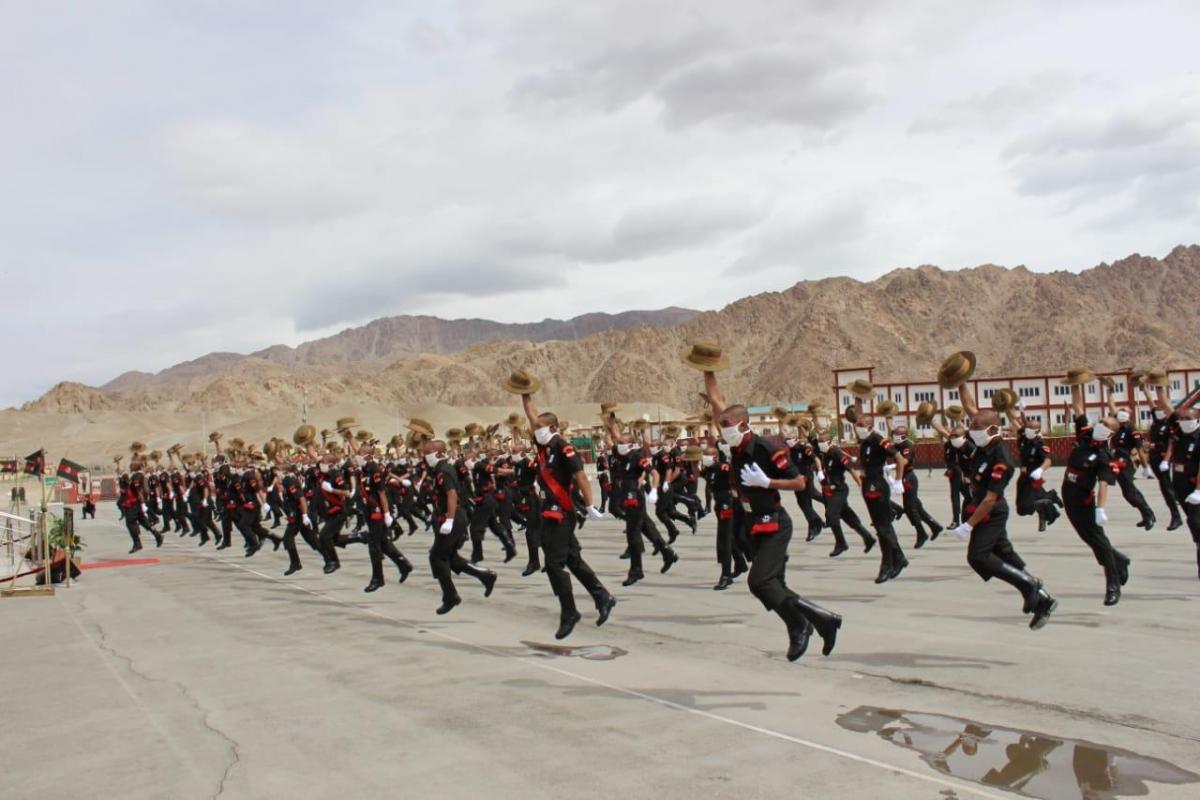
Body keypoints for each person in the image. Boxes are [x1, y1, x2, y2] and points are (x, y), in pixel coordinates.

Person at [694, 345, 842, 662]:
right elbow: (718, 399)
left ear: (744, 425)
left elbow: (800, 482)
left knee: (759, 581)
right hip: (751, 523)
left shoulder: (765, 447)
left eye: (729, 426)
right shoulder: (734, 446)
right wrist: (707, 367)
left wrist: (768, 482)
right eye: (723, 426)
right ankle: (811, 624)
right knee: (774, 585)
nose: (724, 430)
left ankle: (814, 621)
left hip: (774, 521)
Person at [945, 378, 1057, 628]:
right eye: (971, 426)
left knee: (978, 557)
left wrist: (968, 525)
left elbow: (990, 498)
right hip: (983, 507)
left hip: (991, 512)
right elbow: (972, 408)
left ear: (993, 430)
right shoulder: (985, 444)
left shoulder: (1000, 458)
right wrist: (961, 381)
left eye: (976, 427)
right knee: (1007, 556)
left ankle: (1029, 585)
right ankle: (1043, 599)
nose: (971, 429)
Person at [514, 373, 616, 639]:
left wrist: (591, 504)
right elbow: (531, 413)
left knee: (554, 564)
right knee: (572, 559)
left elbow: (581, 476)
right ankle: (603, 596)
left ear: (552, 427)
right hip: (550, 511)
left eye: (540, 427)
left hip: (561, 512)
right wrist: (524, 392)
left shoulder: (563, 447)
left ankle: (569, 611)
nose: (535, 429)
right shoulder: (543, 446)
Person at [1061, 381, 1131, 605]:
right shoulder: (1084, 436)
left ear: (1111, 433)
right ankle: (1120, 560)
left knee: (1098, 541)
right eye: (1100, 421)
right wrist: (1075, 385)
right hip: (1068, 494)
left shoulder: (1104, 456)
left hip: (1083, 501)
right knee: (1088, 539)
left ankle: (1113, 584)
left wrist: (1100, 509)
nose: (1099, 424)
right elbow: (1079, 408)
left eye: (1105, 424)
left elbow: (1103, 483)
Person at [423, 438, 497, 615]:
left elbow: (452, 495)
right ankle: (485, 576)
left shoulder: (444, 470)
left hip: (454, 517)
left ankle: (451, 596)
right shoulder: (437, 469)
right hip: (449, 516)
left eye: (427, 453)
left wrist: (449, 520)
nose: (425, 456)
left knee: (437, 557)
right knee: (450, 557)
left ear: (439, 453)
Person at [814, 430, 876, 557]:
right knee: (847, 516)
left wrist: (862, 486)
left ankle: (841, 543)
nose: (820, 445)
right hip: (829, 489)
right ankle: (868, 537)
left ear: (830, 442)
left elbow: (852, 470)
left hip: (839, 490)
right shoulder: (824, 453)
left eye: (822, 442)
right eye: (819, 443)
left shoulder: (837, 453)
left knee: (831, 515)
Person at [1141, 382, 1184, 531]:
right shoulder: (1157, 421)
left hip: (1163, 457)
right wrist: (1145, 388)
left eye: (1161, 409)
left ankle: (1176, 516)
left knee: (1167, 488)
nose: (1158, 410)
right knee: (1166, 487)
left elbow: (1170, 443)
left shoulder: (1170, 424)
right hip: (1154, 458)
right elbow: (1151, 403)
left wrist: (1160, 387)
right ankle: (1176, 512)